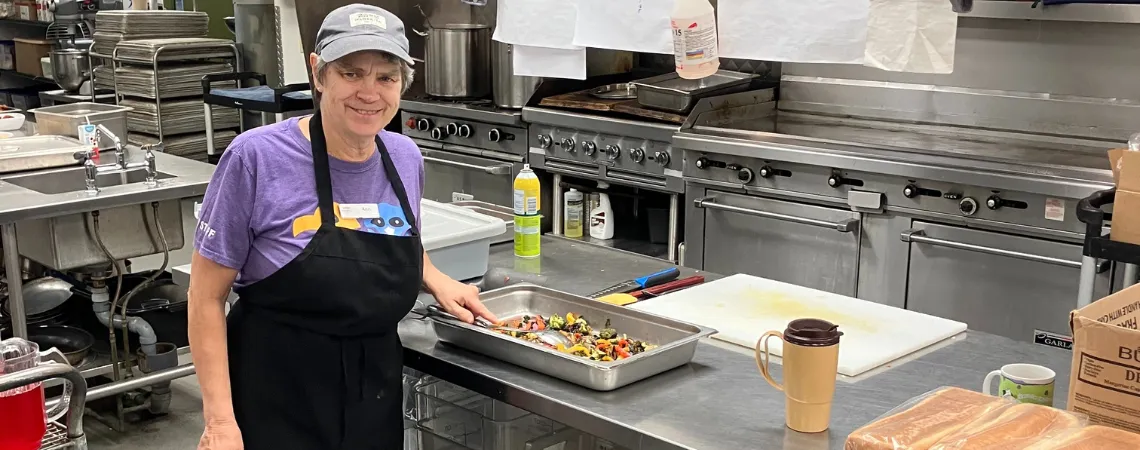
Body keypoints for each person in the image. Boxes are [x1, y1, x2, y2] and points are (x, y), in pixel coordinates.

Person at [186, 4, 498, 449]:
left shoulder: (404, 157)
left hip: (374, 394)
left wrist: (433, 276)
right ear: (319, 73)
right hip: (275, 394)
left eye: (386, 78)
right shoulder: (255, 159)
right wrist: (219, 421)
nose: (369, 93)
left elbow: (392, 232)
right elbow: (205, 297)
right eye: (351, 73)